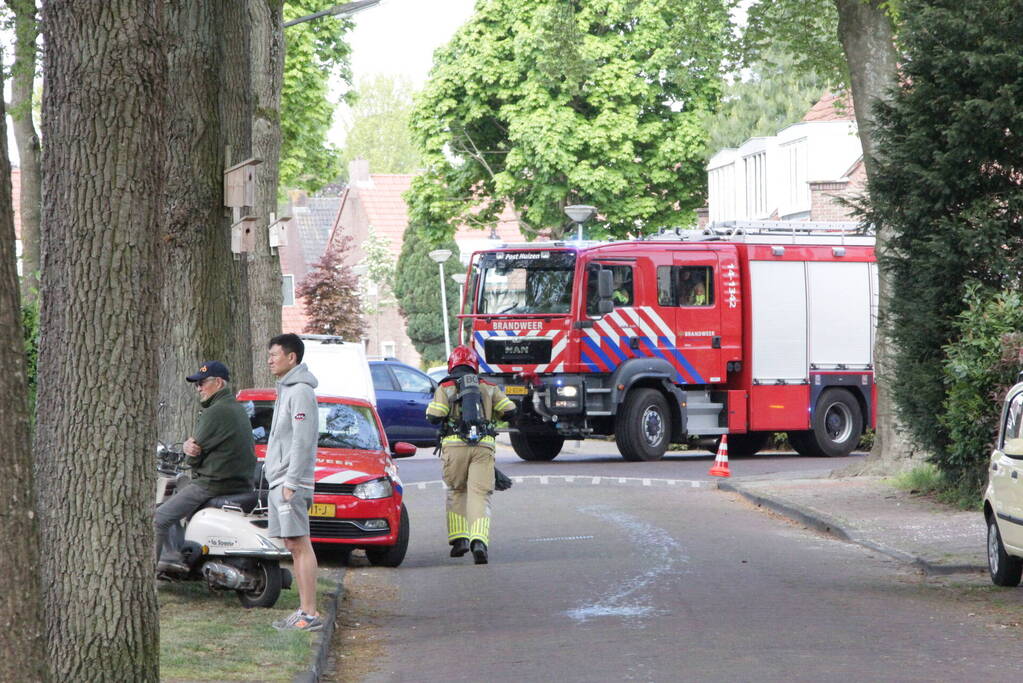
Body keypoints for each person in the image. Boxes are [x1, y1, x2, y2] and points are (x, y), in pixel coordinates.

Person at [155, 361, 256, 574]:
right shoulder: (237, 409)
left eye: (202, 383)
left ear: (218, 382)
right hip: (240, 483)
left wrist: (188, 450)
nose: (199, 388)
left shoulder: (215, 411)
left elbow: (193, 454)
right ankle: (181, 556)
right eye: (196, 384)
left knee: (159, 519)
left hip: (213, 483)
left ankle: (145, 578)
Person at [426, 345, 516, 564]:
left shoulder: (445, 386)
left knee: (456, 491)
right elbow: (510, 410)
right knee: (479, 494)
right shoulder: (489, 386)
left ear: (452, 364)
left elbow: (434, 415)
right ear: (475, 365)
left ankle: (459, 540)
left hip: (453, 448)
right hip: (483, 448)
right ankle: (479, 542)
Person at [264, 333, 322, 632]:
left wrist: (292, 481)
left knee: (299, 544)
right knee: (293, 543)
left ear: (292, 358)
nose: (270, 359)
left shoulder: (300, 391)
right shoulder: (285, 390)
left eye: (275, 354)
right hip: (280, 479)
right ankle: (303, 609)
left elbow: (302, 439)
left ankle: (309, 613)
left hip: (291, 482)